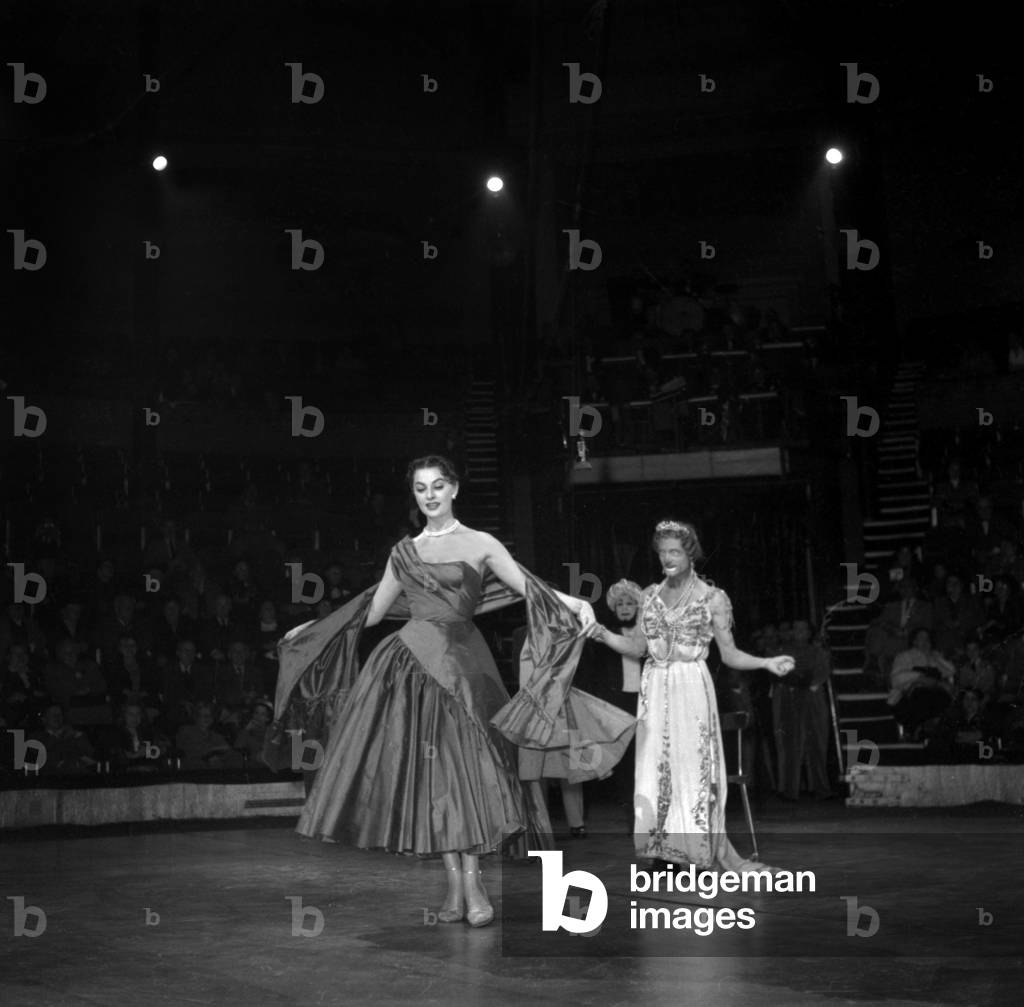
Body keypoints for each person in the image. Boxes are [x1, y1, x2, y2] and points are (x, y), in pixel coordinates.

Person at [267, 455, 596, 928]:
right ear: (415, 495)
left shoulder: (481, 542)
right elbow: (373, 612)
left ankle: (473, 883)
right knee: (433, 780)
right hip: (408, 668)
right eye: (421, 488)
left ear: (455, 489)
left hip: (465, 668)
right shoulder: (403, 551)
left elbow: (526, 585)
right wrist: (315, 630)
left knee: (466, 774)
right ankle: (459, 887)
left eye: (438, 485)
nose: (430, 495)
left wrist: (573, 600)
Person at [586, 519, 794, 871]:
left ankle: (699, 852)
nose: (667, 558)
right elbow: (638, 647)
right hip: (655, 687)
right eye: (663, 552)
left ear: (690, 553)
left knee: (693, 769)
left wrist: (766, 662)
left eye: (675, 552)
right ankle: (667, 852)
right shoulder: (649, 594)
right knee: (656, 771)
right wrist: (602, 634)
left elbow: (729, 655)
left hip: (690, 686)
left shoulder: (712, 598)